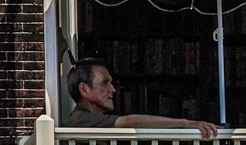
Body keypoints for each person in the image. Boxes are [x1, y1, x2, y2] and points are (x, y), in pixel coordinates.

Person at [65, 59, 217, 139]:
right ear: (84, 89)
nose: (113, 89)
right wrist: (187, 124)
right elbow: (129, 122)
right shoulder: (80, 119)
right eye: (105, 82)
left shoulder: (89, 119)